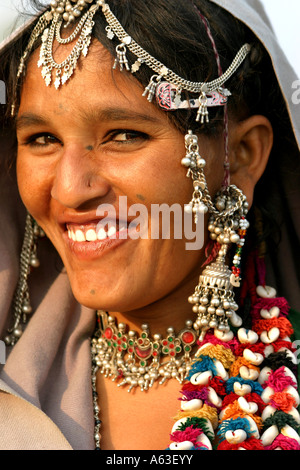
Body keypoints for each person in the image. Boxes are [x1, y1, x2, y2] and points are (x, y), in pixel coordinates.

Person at [0, 0, 299, 451]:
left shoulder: (283, 392)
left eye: (122, 135)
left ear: (239, 155)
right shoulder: (14, 398)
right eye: (42, 139)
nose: (68, 190)